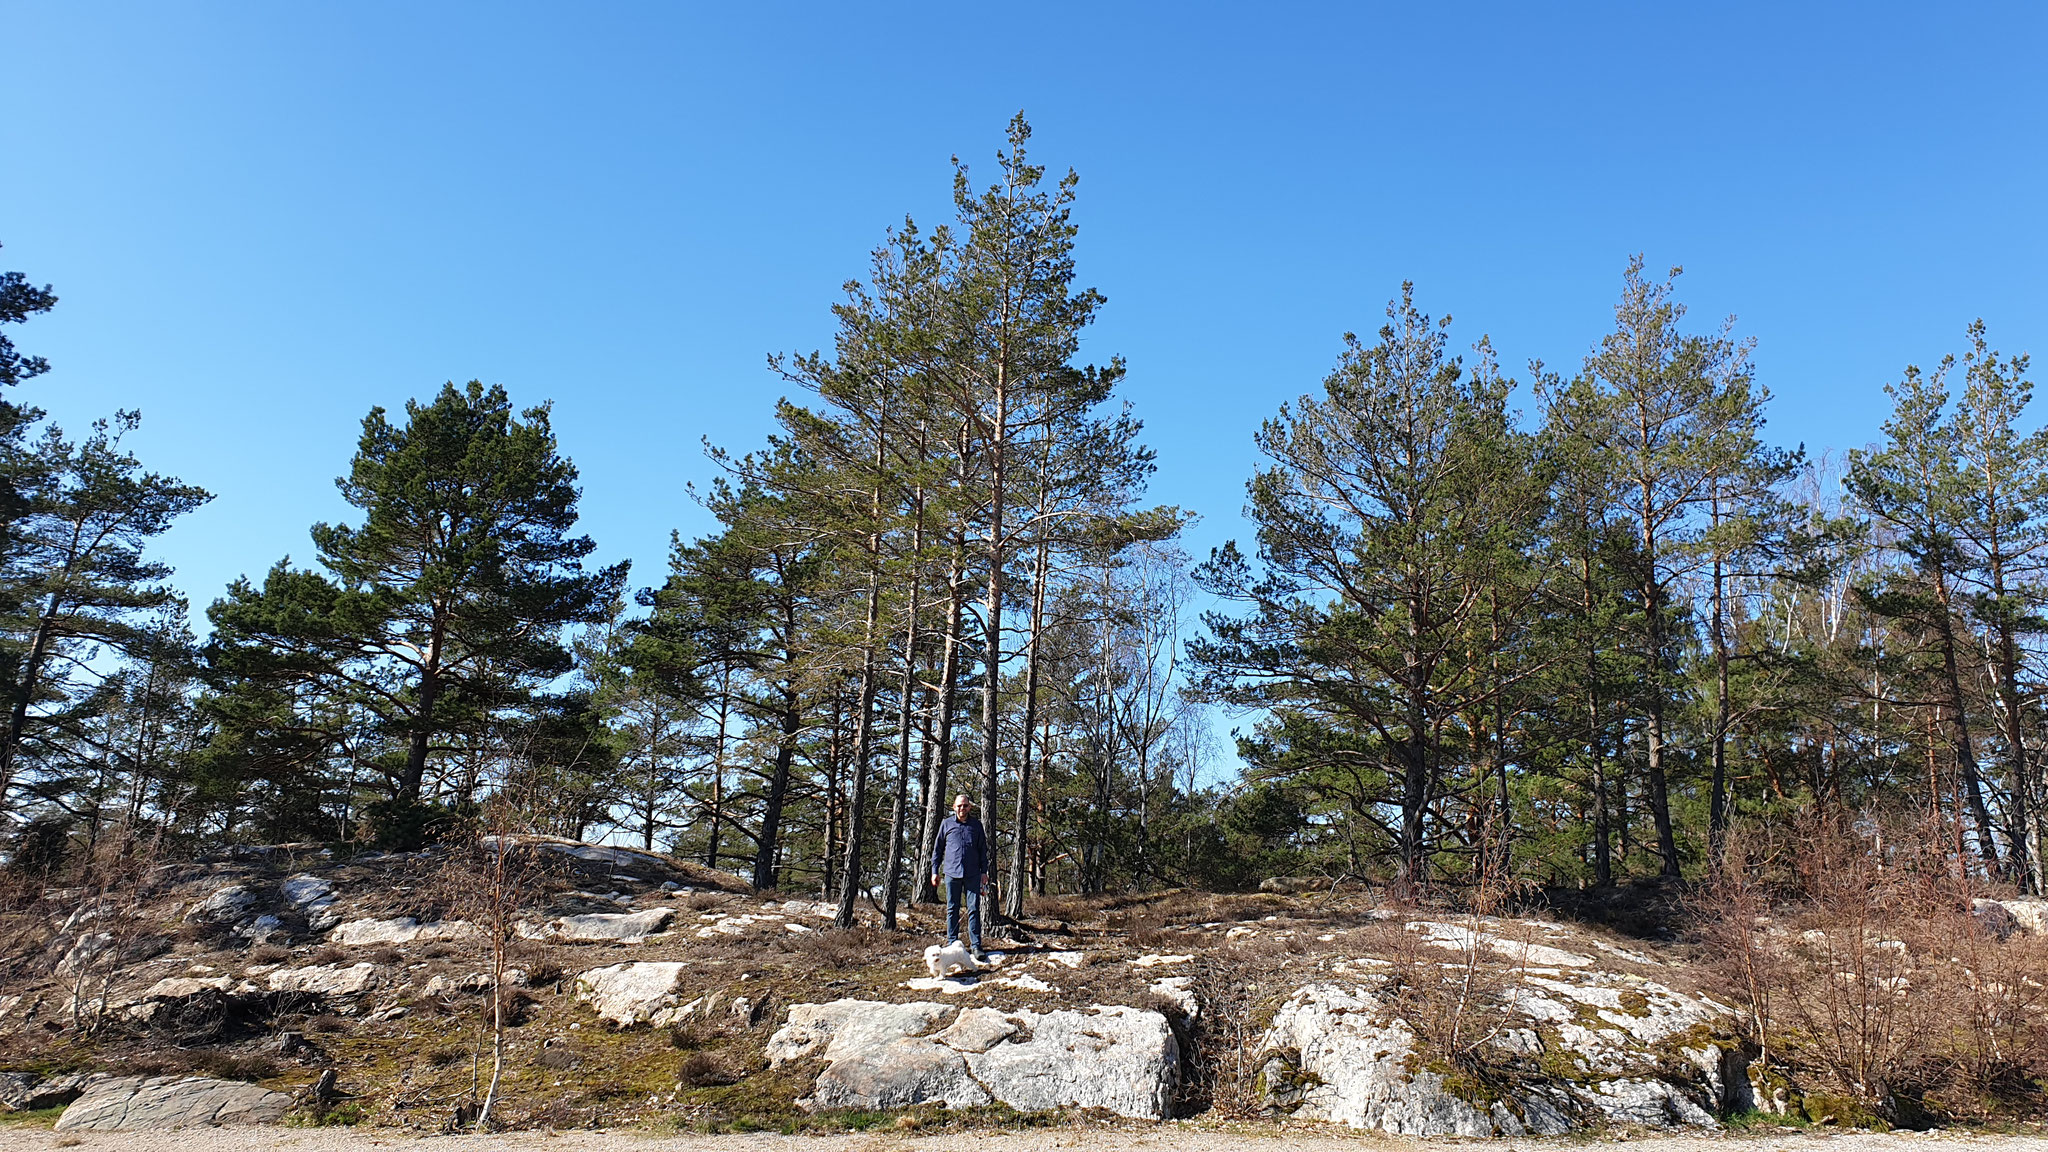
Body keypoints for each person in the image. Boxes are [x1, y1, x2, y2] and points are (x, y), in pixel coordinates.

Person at [929, 794, 990, 962]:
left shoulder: (976, 826)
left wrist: (984, 872)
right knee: (952, 909)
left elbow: (983, 851)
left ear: (969, 807)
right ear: (954, 807)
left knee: (974, 909)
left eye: (965, 806)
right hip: (951, 873)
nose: (962, 808)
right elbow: (937, 850)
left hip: (972, 874)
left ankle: (976, 946)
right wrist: (934, 871)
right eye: (959, 806)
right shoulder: (946, 824)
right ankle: (952, 944)